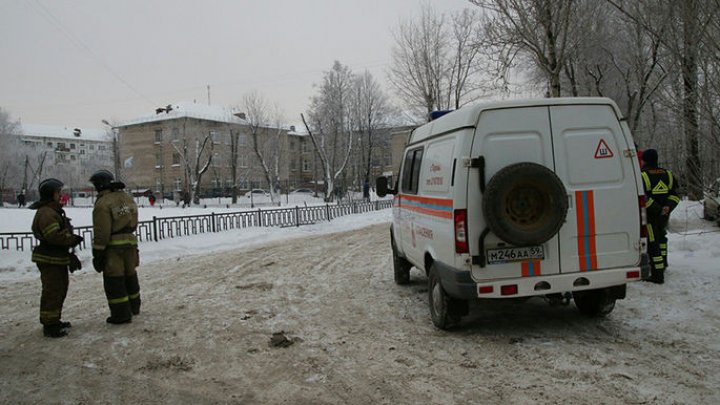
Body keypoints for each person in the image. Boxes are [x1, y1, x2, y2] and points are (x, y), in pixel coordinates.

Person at [29, 178, 83, 337]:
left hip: (57, 258)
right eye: (58, 192)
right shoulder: (46, 212)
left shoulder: (52, 210)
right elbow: (53, 236)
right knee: (52, 291)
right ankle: (50, 325)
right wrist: (71, 239)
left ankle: (54, 320)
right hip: (49, 258)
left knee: (60, 289)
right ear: (51, 194)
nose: (60, 195)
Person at [89, 170, 141, 324]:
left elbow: (102, 231)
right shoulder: (127, 198)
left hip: (113, 247)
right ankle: (134, 307)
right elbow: (134, 219)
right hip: (130, 243)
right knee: (130, 275)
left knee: (114, 280)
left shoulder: (103, 203)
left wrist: (98, 252)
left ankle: (121, 314)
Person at [641, 149, 681, 284]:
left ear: (645, 160)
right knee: (662, 238)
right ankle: (663, 265)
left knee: (653, 243)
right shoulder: (668, 174)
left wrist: (657, 209)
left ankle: (657, 275)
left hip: (651, 216)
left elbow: (643, 199)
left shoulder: (643, 176)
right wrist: (667, 207)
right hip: (664, 215)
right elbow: (675, 195)